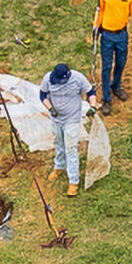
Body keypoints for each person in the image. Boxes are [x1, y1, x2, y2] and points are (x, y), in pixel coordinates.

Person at [37, 63, 97, 195]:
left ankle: (73, 181)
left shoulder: (78, 78)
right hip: (56, 119)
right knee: (58, 143)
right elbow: (42, 95)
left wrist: (93, 106)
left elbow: (90, 92)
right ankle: (59, 166)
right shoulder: (48, 79)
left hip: (72, 120)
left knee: (71, 148)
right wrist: (50, 108)